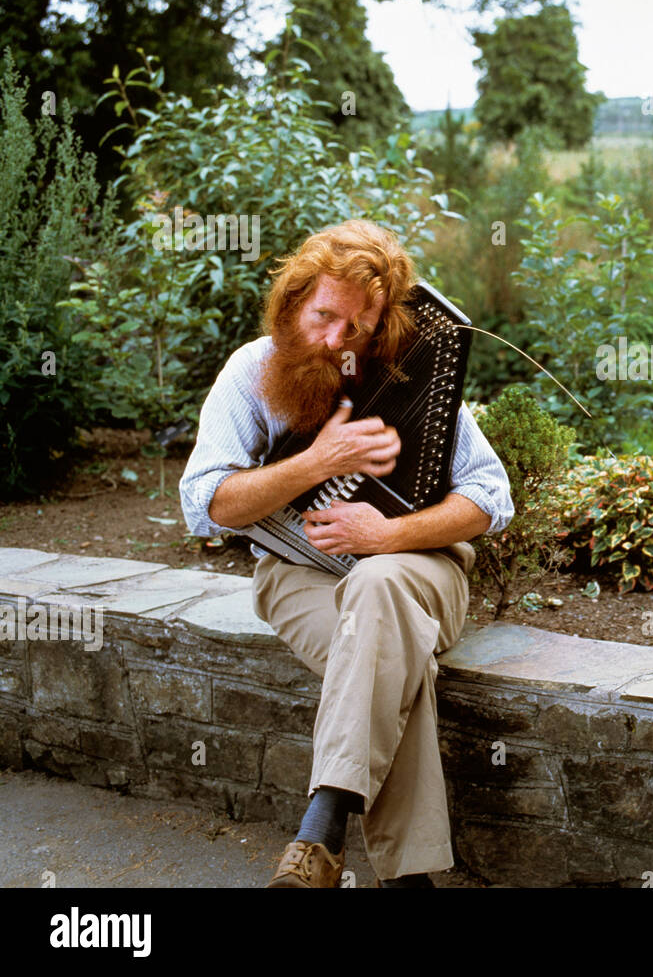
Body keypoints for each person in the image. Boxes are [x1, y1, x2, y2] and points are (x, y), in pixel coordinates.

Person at [180, 219, 513, 888]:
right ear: (293, 301)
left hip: (422, 572)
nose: (334, 339)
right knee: (386, 660)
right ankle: (407, 877)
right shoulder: (252, 372)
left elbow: (491, 497)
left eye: (355, 328)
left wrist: (384, 536)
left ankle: (321, 827)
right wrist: (319, 460)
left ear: (381, 325)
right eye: (323, 315)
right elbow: (207, 504)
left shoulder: (409, 378)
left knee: (380, 590)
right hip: (298, 575)